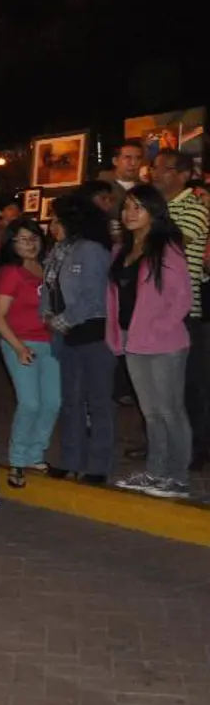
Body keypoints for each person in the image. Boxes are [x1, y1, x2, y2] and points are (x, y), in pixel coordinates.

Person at [110, 186, 194, 499]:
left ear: (154, 212)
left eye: (137, 208)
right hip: (133, 341)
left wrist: (158, 327)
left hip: (165, 342)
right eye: (126, 207)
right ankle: (156, 472)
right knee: (151, 412)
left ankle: (177, 477)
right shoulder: (122, 250)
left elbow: (182, 297)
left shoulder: (166, 248)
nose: (129, 214)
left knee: (170, 409)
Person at [41, 194, 114, 485]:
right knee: (70, 401)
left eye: (57, 219)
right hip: (65, 335)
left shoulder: (92, 250)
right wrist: (46, 315)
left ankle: (98, 465)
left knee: (97, 402)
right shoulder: (58, 251)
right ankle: (70, 459)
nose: (52, 225)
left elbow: (94, 295)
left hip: (92, 331)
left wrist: (65, 319)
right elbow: (47, 289)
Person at [151, 148, 209, 469]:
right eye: (155, 168)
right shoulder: (161, 207)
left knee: (190, 385)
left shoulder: (194, 207)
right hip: (157, 309)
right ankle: (165, 444)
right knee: (162, 385)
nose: (156, 174)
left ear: (185, 175)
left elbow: (168, 246)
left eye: (165, 169)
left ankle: (196, 449)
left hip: (184, 311)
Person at [0, 218, 58, 487]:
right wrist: (18, 347)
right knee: (30, 403)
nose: (30, 244)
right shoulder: (11, 273)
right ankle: (17, 460)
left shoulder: (46, 269)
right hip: (19, 342)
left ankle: (35, 453)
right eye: (23, 239)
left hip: (50, 342)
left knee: (52, 402)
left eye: (34, 238)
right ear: (12, 243)